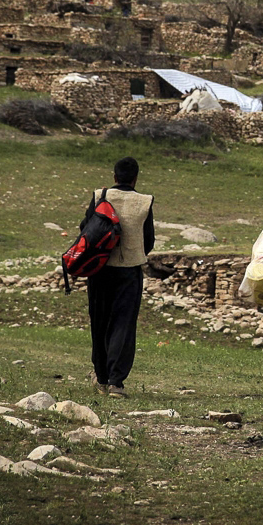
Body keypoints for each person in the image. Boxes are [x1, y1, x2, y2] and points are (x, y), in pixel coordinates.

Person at [82, 156, 155, 399]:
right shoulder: (145, 202)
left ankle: (100, 376)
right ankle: (116, 382)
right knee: (123, 324)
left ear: (114, 177)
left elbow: (85, 229)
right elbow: (149, 242)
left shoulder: (99, 196)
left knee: (99, 320)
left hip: (99, 269)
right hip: (129, 272)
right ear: (135, 178)